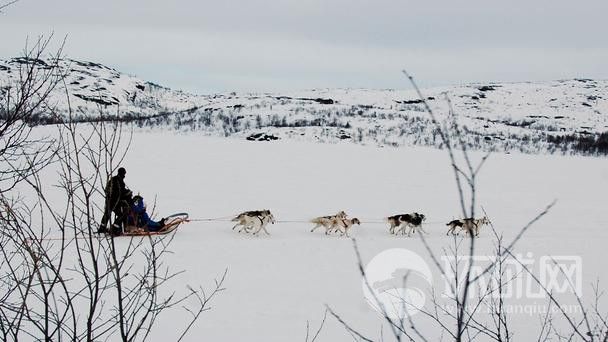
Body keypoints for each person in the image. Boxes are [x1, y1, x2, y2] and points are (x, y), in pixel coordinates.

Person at [98, 167, 132, 235]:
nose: (124, 175)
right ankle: (115, 228)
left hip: (108, 201)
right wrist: (128, 193)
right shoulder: (118, 181)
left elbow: (107, 189)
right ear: (122, 173)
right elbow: (120, 192)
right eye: (124, 174)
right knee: (122, 215)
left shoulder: (113, 179)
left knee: (107, 214)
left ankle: (102, 228)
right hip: (115, 202)